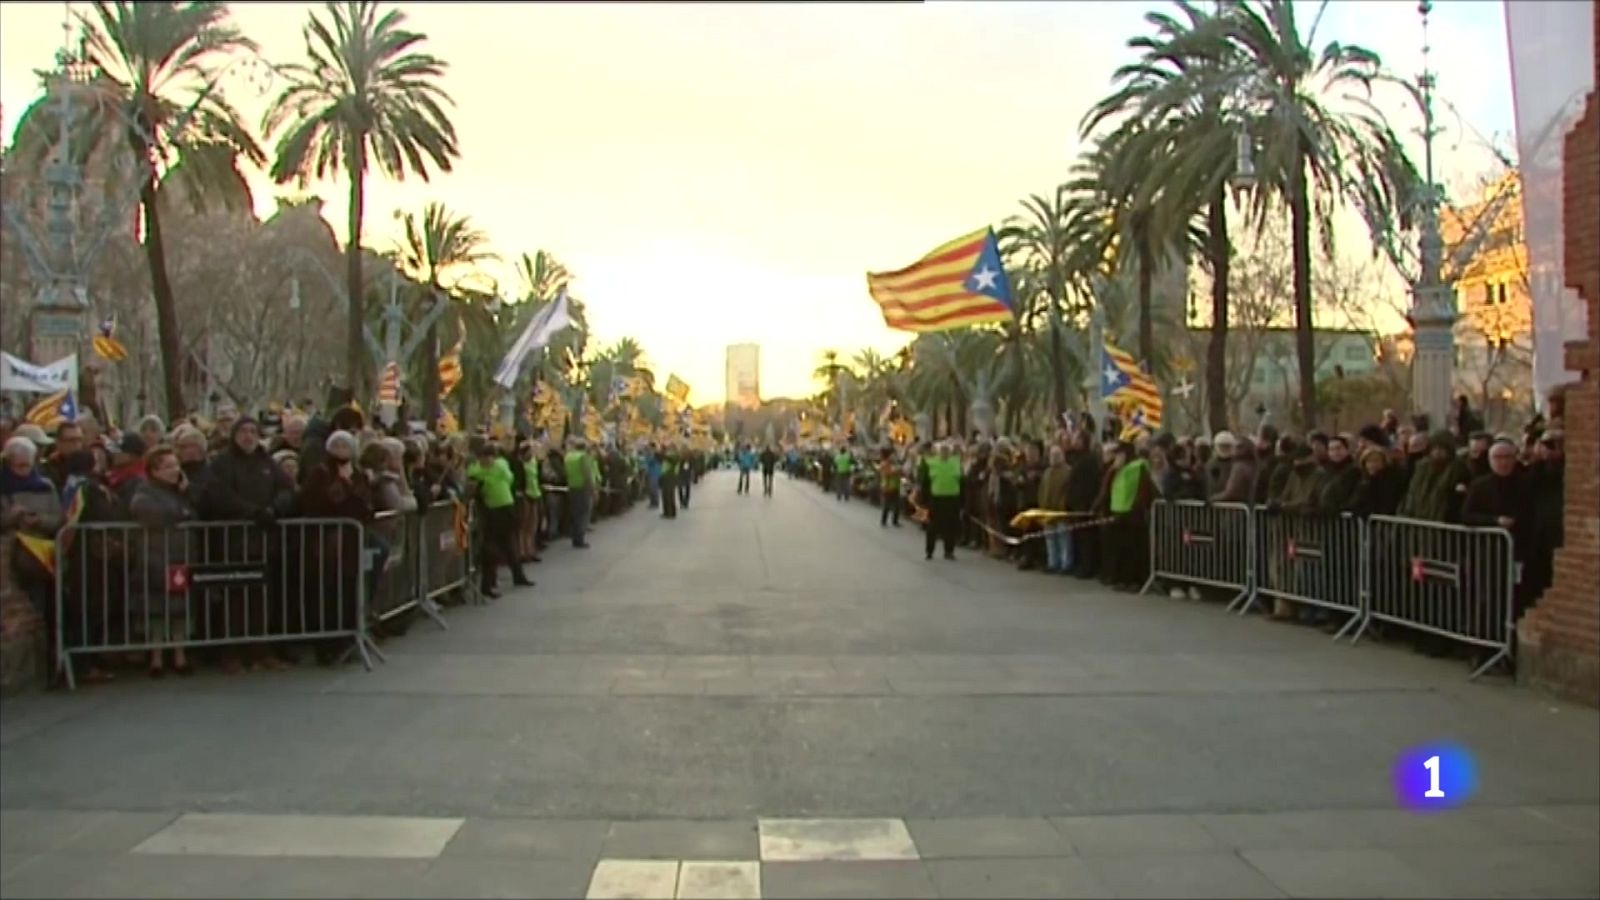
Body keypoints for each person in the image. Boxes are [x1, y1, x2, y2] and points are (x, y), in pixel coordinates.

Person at [127, 447, 197, 678]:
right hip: (155, 557)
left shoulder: (181, 491)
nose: (174, 470)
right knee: (155, 608)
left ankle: (180, 655)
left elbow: (194, 513)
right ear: (154, 470)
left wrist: (185, 499)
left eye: (176, 465)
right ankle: (156, 658)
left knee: (180, 607)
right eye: (167, 466)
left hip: (180, 555)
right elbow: (146, 511)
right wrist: (180, 512)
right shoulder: (146, 490)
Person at [467, 442, 531, 598]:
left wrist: (487, 477)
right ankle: (488, 585)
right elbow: (472, 476)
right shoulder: (477, 470)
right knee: (492, 549)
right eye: (484, 458)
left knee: (511, 544)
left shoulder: (500, 465)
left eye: (489, 457)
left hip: (506, 507)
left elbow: (508, 478)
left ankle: (518, 575)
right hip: (492, 511)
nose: (487, 461)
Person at [918, 440, 962, 560]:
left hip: (952, 498)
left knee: (950, 526)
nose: (945, 453)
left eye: (947, 450)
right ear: (938, 452)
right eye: (942, 450)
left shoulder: (956, 462)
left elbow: (962, 482)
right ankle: (929, 551)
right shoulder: (931, 463)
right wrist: (924, 501)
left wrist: (962, 500)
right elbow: (925, 483)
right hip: (936, 499)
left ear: (950, 452)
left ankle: (949, 551)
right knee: (932, 526)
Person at [563, 438, 596, 548]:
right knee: (584, 514)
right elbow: (587, 474)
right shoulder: (583, 457)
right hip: (583, 488)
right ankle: (580, 539)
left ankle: (574, 537)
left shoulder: (568, 457)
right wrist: (593, 489)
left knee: (575, 513)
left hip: (572, 487)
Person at [878, 447, 901, 527]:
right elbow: (888, 473)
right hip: (888, 487)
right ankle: (884, 521)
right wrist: (897, 471)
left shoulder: (890, 463)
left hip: (894, 486)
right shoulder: (885, 463)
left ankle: (895, 521)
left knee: (897, 505)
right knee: (887, 505)